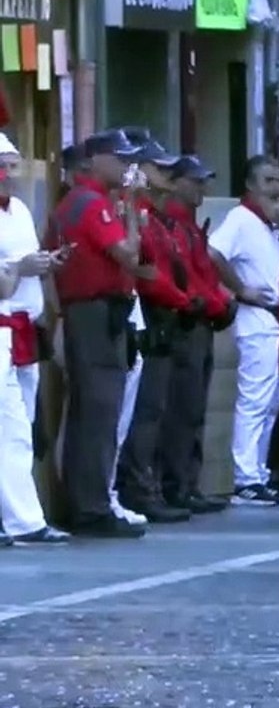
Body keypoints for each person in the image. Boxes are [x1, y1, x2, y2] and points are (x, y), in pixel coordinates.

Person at [47, 129, 153, 537]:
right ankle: (92, 508)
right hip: (95, 312)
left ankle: (83, 503)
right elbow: (129, 255)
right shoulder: (92, 204)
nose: (126, 166)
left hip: (84, 311)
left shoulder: (72, 203)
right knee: (100, 412)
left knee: (88, 411)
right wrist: (132, 210)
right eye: (119, 158)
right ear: (94, 161)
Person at [115, 132, 202, 524]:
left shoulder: (156, 215)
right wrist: (183, 300)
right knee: (146, 410)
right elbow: (146, 270)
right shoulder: (139, 211)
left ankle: (147, 485)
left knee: (158, 408)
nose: (167, 173)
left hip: (163, 315)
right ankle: (137, 487)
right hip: (149, 316)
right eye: (157, 166)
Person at [208, 155, 279, 506]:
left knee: (270, 404)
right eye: (268, 180)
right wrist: (240, 289)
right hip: (256, 318)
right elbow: (213, 253)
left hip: (275, 319)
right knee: (255, 401)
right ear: (250, 185)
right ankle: (245, 479)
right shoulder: (241, 218)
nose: (276, 187)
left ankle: (257, 473)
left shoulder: (271, 223)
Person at [0, 136, 71, 544]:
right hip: (3, 320)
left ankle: (23, 520)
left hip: (24, 327)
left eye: (13, 166)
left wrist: (44, 264)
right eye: (2, 166)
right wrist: (19, 267)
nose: (8, 174)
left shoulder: (21, 211)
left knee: (18, 427)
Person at [159, 155, 231, 514]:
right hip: (187, 322)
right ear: (176, 183)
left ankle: (188, 481)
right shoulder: (173, 224)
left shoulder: (187, 225)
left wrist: (219, 303)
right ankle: (178, 484)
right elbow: (187, 278)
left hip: (201, 320)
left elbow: (203, 274)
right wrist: (215, 304)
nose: (202, 188)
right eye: (195, 181)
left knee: (195, 408)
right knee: (183, 409)